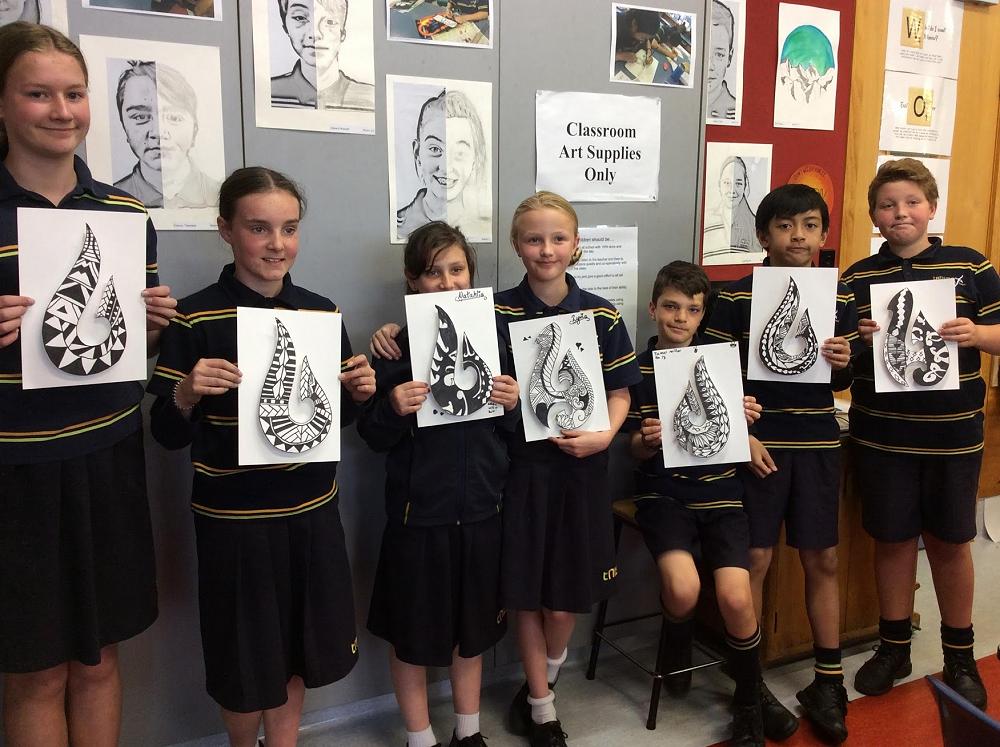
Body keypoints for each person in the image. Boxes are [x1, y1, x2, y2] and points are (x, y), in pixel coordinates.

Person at [147, 167, 375, 746]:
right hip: (234, 525)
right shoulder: (194, 317)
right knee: (243, 661)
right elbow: (166, 434)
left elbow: (336, 423)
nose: (277, 244)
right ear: (226, 230)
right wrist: (186, 393)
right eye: (259, 228)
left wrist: (357, 394)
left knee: (298, 651)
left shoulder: (321, 313)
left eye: (289, 229)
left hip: (311, 514)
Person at [0, 21, 176, 746]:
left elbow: (134, 348)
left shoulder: (126, 215)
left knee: (100, 658)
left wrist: (153, 326)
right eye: (38, 94)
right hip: (17, 471)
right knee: (34, 672)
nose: (61, 110)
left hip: (107, 456)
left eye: (74, 93)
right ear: (3, 102)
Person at [841, 158, 1000, 709]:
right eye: (887, 205)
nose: (900, 213)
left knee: (951, 543)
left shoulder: (971, 266)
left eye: (911, 201)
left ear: (932, 207)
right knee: (891, 540)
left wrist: (978, 333)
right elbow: (836, 362)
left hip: (952, 438)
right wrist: (856, 343)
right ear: (874, 216)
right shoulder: (857, 278)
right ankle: (893, 647)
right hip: (882, 438)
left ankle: (960, 654)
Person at [705, 184, 860, 743]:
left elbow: (841, 379)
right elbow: (710, 372)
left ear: (823, 234)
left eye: (811, 225)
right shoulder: (733, 297)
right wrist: (741, 435)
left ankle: (829, 680)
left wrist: (842, 361)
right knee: (755, 558)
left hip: (816, 440)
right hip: (759, 445)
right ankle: (749, 686)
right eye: (785, 226)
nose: (799, 236)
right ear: (763, 236)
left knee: (823, 559)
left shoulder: (837, 296)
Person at [358, 220, 519, 747]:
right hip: (418, 519)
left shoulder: (496, 337)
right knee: (411, 636)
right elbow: (372, 436)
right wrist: (392, 407)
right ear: (412, 280)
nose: (447, 283)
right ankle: (419, 735)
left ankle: (468, 731)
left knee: (471, 634)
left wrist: (512, 405)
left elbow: (518, 432)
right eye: (433, 273)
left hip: (482, 513)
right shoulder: (393, 348)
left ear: (472, 274)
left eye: (457, 270)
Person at [496, 192, 642, 747]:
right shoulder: (495, 313)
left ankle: (546, 678)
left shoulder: (602, 314)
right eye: (534, 239)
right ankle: (542, 708)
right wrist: (392, 331)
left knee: (562, 603)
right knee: (526, 593)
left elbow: (622, 391)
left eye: (558, 238)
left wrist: (605, 434)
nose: (546, 249)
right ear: (517, 245)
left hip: (582, 473)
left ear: (576, 244)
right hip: (522, 473)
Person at [624, 260, 769, 746]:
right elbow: (631, 447)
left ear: (703, 314)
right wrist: (645, 440)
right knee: (684, 590)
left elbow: (735, 429)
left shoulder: (722, 362)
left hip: (722, 494)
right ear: (653, 308)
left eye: (691, 310)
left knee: (736, 596)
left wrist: (746, 420)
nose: (680, 318)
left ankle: (749, 700)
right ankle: (678, 641)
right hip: (664, 495)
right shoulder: (637, 370)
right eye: (671, 307)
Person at [113, 60, 220, 209]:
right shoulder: (112, 198)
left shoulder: (220, 196)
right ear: (124, 125)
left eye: (174, 118)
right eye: (140, 117)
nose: (158, 133)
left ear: (195, 128)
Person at [396, 89, 489, 241]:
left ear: (476, 158)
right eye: (435, 149)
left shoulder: (481, 226)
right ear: (417, 154)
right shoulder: (400, 227)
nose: (446, 168)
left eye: (460, 153)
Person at [270, 0, 375, 111]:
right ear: (286, 28)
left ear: (342, 33)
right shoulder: (269, 91)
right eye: (300, 18)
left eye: (330, 22)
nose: (315, 34)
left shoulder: (370, 97)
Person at [703, 155, 757, 257]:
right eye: (727, 183)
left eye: (738, 183)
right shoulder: (706, 219)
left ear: (745, 185)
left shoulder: (754, 224)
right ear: (719, 185)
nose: (732, 190)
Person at [707, 0, 737, 121]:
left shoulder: (732, 111)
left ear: (729, 58)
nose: (709, 66)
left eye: (719, 55)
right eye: (705, 53)